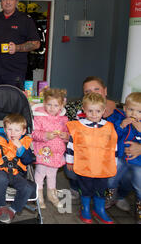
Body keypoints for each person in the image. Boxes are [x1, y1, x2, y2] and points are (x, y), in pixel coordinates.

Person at [66, 92, 118, 224]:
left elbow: (113, 147)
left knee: (101, 188)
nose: (94, 114)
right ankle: (85, 209)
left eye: (98, 111)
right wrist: (70, 160)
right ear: (84, 109)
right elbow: (71, 145)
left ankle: (99, 209)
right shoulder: (78, 127)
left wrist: (114, 163)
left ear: (104, 111)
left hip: (102, 166)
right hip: (85, 165)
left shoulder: (109, 127)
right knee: (86, 188)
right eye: (90, 111)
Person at [0, 113, 36, 224]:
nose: (13, 133)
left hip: (16, 173)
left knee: (28, 187)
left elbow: (28, 160)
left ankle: (12, 210)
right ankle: (1, 206)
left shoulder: (24, 144)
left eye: (17, 130)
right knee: (0, 178)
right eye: (9, 129)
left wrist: (20, 148)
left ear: (23, 132)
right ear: (4, 130)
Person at [0, 0, 40, 89]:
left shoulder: (25, 19)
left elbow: (36, 43)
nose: (7, 2)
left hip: (14, 73)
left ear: (16, 2)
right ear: (1, 2)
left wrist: (17, 48)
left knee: (13, 103)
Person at [106, 92, 141, 224]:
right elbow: (112, 136)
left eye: (139, 111)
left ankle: (139, 208)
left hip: (138, 162)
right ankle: (111, 195)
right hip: (121, 157)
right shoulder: (122, 122)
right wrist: (121, 126)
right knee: (112, 177)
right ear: (125, 109)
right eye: (131, 109)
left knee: (139, 185)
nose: (134, 114)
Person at [31, 88, 69, 210]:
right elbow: (34, 133)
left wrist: (66, 136)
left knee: (52, 174)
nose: (52, 108)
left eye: (56, 105)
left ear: (61, 106)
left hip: (57, 152)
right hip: (43, 151)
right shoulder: (39, 117)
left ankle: (52, 195)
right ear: (44, 104)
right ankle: (39, 194)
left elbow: (67, 133)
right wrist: (45, 135)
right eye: (49, 104)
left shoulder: (63, 119)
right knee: (40, 173)